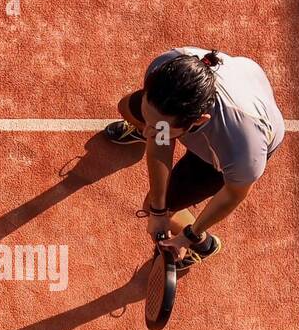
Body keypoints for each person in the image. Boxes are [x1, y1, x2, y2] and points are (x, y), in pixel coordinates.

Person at [106, 47, 285, 269]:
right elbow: (161, 141)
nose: (147, 132)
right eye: (148, 120)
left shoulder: (240, 150)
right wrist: (158, 211)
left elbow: (232, 195)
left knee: (158, 204)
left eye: (158, 127)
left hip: (223, 150)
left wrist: (187, 235)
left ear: (198, 121)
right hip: (243, 83)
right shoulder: (165, 65)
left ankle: (203, 245)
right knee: (126, 107)